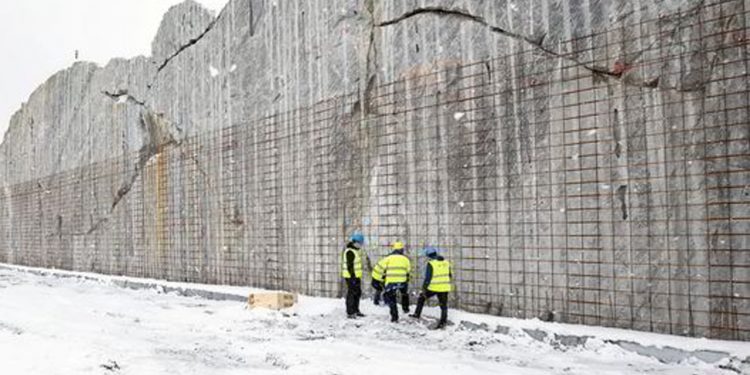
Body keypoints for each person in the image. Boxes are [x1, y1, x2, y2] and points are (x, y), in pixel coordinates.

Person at [410, 247, 452, 329]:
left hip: (433, 287)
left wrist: (424, 288)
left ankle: (417, 314)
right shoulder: (446, 263)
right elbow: (449, 275)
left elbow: (428, 278)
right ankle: (443, 322)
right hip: (444, 287)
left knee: (421, 298)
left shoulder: (431, 263)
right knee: (443, 305)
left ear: (429, 255)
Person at [382, 241, 411, 322]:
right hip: (402, 281)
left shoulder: (388, 258)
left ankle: (394, 317)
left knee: (392, 298)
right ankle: (405, 308)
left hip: (391, 281)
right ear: (401, 249)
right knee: (404, 294)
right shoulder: (406, 259)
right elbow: (408, 270)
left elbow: (382, 269)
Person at [341, 232, 367, 318]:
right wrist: (353, 277)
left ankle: (356, 310)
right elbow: (350, 265)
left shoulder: (355, 251)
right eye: (360, 243)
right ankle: (350, 312)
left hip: (356, 276)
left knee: (357, 292)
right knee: (352, 293)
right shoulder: (350, 252)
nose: (360, 245)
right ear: (355, 242)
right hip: (351, 276)